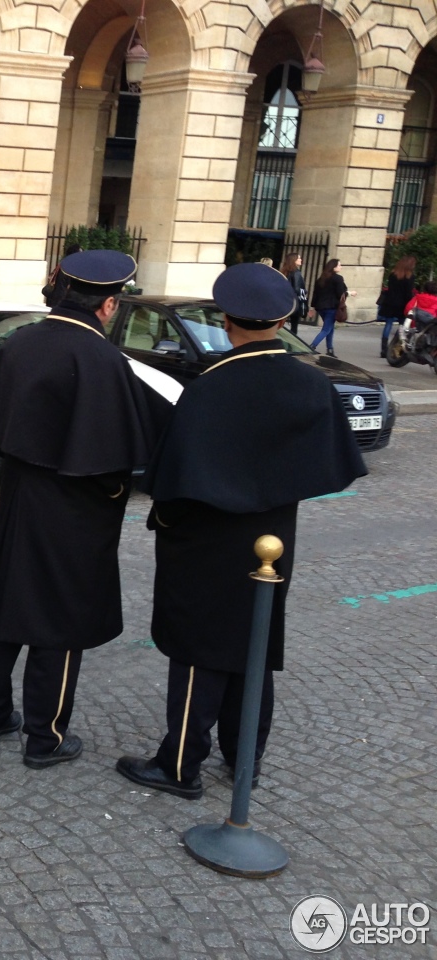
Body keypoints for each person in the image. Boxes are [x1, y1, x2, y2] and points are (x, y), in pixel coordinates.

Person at [116, 263, 366, 799]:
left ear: (226, 321)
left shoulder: (212, 385)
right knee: (256, 640)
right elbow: (327, 465)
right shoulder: (310, 381)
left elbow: (173, 480)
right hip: (275, 537)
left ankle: (180, 763)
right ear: (284, 318)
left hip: (208, 541)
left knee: (197, 647)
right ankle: (245, 755)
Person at [0, 251, 172, 768]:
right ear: (107, 305)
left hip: (19, 496)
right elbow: (117, 448)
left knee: (8, 603)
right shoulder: (99, 358)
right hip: (73, 506)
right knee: (60, 617)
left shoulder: (22, 341)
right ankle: (45, 735)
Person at [309, 258, 355, 357]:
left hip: (320, 307)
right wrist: (350, 293)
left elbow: (315, 294)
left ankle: (330, 349)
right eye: (339, 265)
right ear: (333, 267)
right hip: (331, 307)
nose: (341, 267)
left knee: (330, 328)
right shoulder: (338, 278)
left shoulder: (321, 279)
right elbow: (340, 293)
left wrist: (312, 307)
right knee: (326, 329)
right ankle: (311, 347)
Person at [377, 256, 416, 358]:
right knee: (403, 327)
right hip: (402, 304)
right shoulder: (410, 277)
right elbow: (408, 293)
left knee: (388, 325)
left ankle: (383, 349)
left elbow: (390, 289)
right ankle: (397, 349)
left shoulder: (393, 274)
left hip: (390, 302)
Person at [278, 252, 310, 338]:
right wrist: (304, 292)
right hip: (294, 302)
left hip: (285, 301)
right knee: (294, 327)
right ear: (294, 260)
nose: (301, 260)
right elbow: (297, 289)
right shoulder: (296, 273)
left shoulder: (285, 271)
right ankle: (291, 345)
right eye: (299, 258)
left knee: (280, 324)